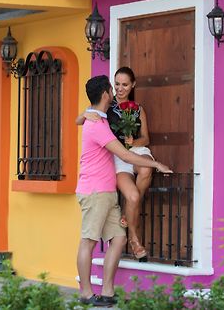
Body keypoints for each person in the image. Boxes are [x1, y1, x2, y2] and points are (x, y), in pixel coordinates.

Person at [76, 75, 171, 307]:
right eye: (112, 87)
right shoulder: (97, 125)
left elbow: (84, 117)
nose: (116, 90)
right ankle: (87, 293)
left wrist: (83, 115)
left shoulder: (99, 117)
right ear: (106, 94)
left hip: (107, 192)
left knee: (118, 239)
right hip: (95, 192)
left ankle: (107, 291)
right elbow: (126, 155)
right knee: (88, 241)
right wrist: (156, 164)